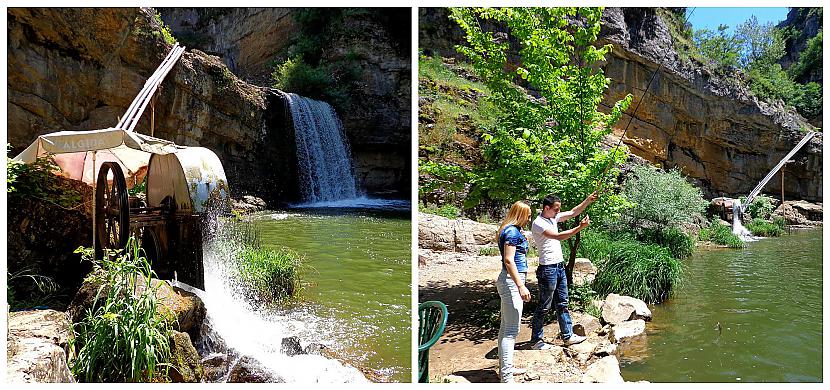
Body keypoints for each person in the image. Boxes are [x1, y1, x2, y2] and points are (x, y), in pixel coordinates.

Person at [529, 191, 597, 349]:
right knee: (544, 306)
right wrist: (579, 228)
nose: (558, 212)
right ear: (547, 208)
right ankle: (536, 341)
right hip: (548, 269)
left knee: (562, 303)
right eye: (556, 209)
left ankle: (567, 336)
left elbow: (574, 212)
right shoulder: (539, 223)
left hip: (559, 266)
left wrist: (588, 200)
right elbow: (558, 236)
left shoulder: (553, 218)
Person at [495, 201, 532, 383]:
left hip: (509, 281)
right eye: (528, 215)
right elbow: (509, 261)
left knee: (505, 328)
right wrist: (520, 286)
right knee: (511, 330)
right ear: (520, 214)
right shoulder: (512, 232)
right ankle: (507, 378)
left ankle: (506, 370)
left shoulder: (511, 230)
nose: (530, 219)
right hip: (511, 282)